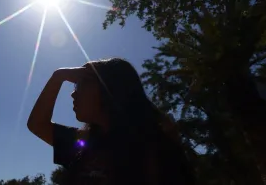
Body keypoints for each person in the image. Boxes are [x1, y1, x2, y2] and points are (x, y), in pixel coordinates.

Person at [27, 58, 195, 185]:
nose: (73, 93)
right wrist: (59, 76)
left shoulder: (156, 147)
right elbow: (37, 124)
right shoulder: (82, 142)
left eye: (81, 84)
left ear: (110, 89)